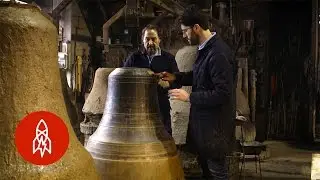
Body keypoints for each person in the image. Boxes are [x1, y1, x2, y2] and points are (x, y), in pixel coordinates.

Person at [156, 5, 236, 180]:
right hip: (205, 131)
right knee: (208, 173)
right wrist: (175, 77)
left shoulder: (218, 54)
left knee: (218, 174)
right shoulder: (206, 49)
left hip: (216, 130)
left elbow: (222, 94)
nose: (184, 36)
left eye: (185, 31)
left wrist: (189, 96)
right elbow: (201, 77)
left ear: (196, 28)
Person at [123, 24, 180, 135]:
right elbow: (124, 79)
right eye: (147, 39)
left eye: (153, 39)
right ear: (142, 41)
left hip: (161, 108)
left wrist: (168, 83)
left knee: (164, 139)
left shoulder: (168, 59)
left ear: (159, 40)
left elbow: (177, 82)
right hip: (138, 109)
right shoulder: (134, 58)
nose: (150, 43)